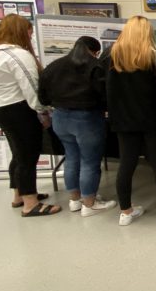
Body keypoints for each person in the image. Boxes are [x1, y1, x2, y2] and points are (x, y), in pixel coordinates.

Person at [0, 14, 60, 216]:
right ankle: (30, 204)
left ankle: (19, 195)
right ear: (20, 33)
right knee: (28, 155)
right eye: (29, 34)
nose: (30, 38)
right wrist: (45, 111)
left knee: (17, 152)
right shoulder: (19, 55)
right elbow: (32, 88)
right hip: (18, 110)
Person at [105, 16, 156, 226]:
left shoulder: (113, 57)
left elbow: (108, 91)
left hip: (124, 121)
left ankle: (126, 212)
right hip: (152, 120)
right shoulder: (154, 58)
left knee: (126, 164)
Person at [39, 36, 116, 217]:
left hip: (60, 117)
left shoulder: (54, 66)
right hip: (86, 119)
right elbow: (105, 95)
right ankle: (89, 203)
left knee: (71, 157)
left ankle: (75, 199)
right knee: (89, 161)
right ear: (94, 51)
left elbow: (43, 97)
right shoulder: (95, 67)